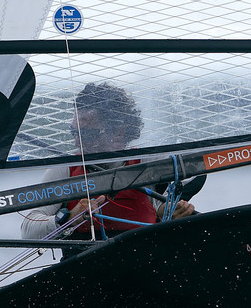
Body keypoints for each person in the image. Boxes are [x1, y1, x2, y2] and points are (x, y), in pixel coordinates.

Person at [20, 82, 196, 241]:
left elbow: (195, 172)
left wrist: (166, 208)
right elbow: (28, 230)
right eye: (74, 132)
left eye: (86, 134)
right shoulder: (65, 171)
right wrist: (68, 218)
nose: (76, 142)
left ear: (118, 132)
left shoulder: (145, 163)